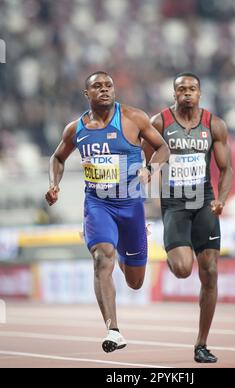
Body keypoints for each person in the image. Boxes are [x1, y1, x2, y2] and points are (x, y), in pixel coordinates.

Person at [45, 71, 169, 353]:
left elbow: (162, 148)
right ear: (86, 94)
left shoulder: (133, 118)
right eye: (97, 86)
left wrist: (151, 168)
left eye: (108, 85)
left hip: (131, 206)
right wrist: (54, 184)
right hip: (98, 204)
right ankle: (113, 329)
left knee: (135, 282)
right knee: (102, 257)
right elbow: (57, 157)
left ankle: (124, 246)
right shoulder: (75, 129)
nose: (104, 90)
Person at [143, 72, 233, 363]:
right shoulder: (160, 123)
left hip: (204, 201)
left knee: (210, 272)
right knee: (183, 269)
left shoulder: (214, 124)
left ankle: (201, 344)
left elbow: (227, 169)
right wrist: (148, 191)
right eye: (181, 89)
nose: (187, 93)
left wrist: (221, 199)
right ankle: (174, 246)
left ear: (200, 93)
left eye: (192, 89)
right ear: (174, 94)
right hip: (175, 204)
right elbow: (144, 161)